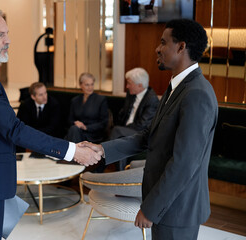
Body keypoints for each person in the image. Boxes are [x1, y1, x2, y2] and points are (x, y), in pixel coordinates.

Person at [0, 7, 101, 240]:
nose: (8, 40)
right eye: (0, 35)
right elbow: (13, 129)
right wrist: (73, 150)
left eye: (7, 33)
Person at [82, 19, 218, 240]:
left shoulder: (197, 94)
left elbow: (184, 164)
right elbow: (149, 136)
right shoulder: (176, 87)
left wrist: (151, 208)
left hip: (178, 209)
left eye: (163, 42)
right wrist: (102, 149)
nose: (157, 48)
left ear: (181, 47)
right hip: (169, 206)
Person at [110, 67, 159, 170]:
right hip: (125, 131)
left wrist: (123, 129)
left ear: (140, 85)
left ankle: (100, 166)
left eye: (129, 83)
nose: (127, 86)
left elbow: (142, 125)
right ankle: (120, 174)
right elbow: (123, 113)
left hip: (140, 133)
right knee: (120, 140)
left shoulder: (152, 100)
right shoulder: (130, 94)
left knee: (116, 131)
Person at [64, 72, 109, 143]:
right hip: (77, 131)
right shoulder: (75, 100)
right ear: (80, 85)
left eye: (92, 84)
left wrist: (86, 127)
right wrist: (76, 123)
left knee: (73, 132)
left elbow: (103, 123)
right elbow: (70, 120)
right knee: (74, 129)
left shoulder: (100, 99)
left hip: (93, 134)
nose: (90, 87)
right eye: (87, 85)